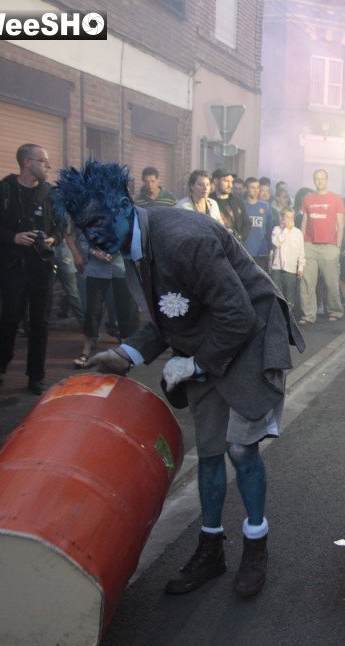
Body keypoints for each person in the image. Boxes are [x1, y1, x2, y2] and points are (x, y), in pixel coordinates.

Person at [51, 160, 305, 597]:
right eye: (81, 227)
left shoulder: (183, 240)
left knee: (241, 450)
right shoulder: (130, 244)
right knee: (208, 452)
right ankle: (210, 549)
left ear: (124, 206)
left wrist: (196, 364)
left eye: (97, 222)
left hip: (251, 334)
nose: (90, 236)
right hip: (209, 335)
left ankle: (255, 544)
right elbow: (172, 313)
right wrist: (126, 353)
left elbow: (239, 314)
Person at [0, 144, 61, 395]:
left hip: (41, 268)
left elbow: (59, 227)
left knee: (40, 323)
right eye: (43, 161)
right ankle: (1, 365)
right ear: (27, 162)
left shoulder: (50, 194)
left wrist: (51, 240)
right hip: (12, 267)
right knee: (10, 319)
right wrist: (13, 237)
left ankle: (36, 375)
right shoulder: (1, 190)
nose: (47, 166)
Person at [72, 230, 139, 369]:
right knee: (93, 307)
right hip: (97, 269)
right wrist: (94, 252)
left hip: (121, 266)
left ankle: (126, 349)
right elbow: (83, 241)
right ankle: (86, 349)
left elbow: (132, 238)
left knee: (126, 306)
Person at [299, 169, 345, 324]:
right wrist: (302, 243)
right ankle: (308, 315)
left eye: (322, 178)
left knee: (331, 283)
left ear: (327, 179)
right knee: (307, 283)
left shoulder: (336, 199)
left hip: (329, 246)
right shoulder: (308, 199)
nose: (319, 181)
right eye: (317, 178)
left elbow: (340, 223)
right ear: (313, 180)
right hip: (309, 245)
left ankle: (335, 311)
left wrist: (338, 245)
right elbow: (304, 222)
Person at [270, 207, 305, 315]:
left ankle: (288, 314)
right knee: (277, 293)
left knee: (289, 294)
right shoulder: (277, 229)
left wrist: (300, 267)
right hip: (277, 267)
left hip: (291, 268)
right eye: (287, 217)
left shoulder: (298, 233)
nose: (289, 220)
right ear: (282, 217)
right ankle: (278, 315)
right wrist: (285, 230)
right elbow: (276, 243)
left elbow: (301, 251)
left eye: (291, 217)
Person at [242, 177, 274, 273]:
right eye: (252, 187)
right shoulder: (241, 205)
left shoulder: (265, 205)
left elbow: (269, 228)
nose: (256, 191)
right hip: (245, 250)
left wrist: (270, 248)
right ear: (246, 189)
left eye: (257, 187)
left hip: (261, 250)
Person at [211, 168, 247, 241]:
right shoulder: (209, 201)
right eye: (226, 181)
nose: (230, 185)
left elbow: (247, 223)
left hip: (234, 246)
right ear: (216, 181)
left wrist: (240, 237)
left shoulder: (237, 201)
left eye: (231, 182)